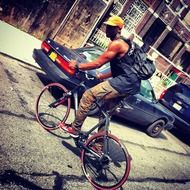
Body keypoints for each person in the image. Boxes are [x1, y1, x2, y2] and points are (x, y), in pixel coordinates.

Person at [59, 15, 141, 138]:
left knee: (88, 95)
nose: (107, 29)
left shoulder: (117, 44)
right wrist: (103, 75)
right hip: (131, 84)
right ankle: (99, 144)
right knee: (105, 112)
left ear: (119, 29)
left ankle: (74, 129)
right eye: (107, 26)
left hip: (124, 83)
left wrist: (77, 66)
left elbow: (97, 63)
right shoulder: (126, 44)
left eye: (111, 27)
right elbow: (122, 69)